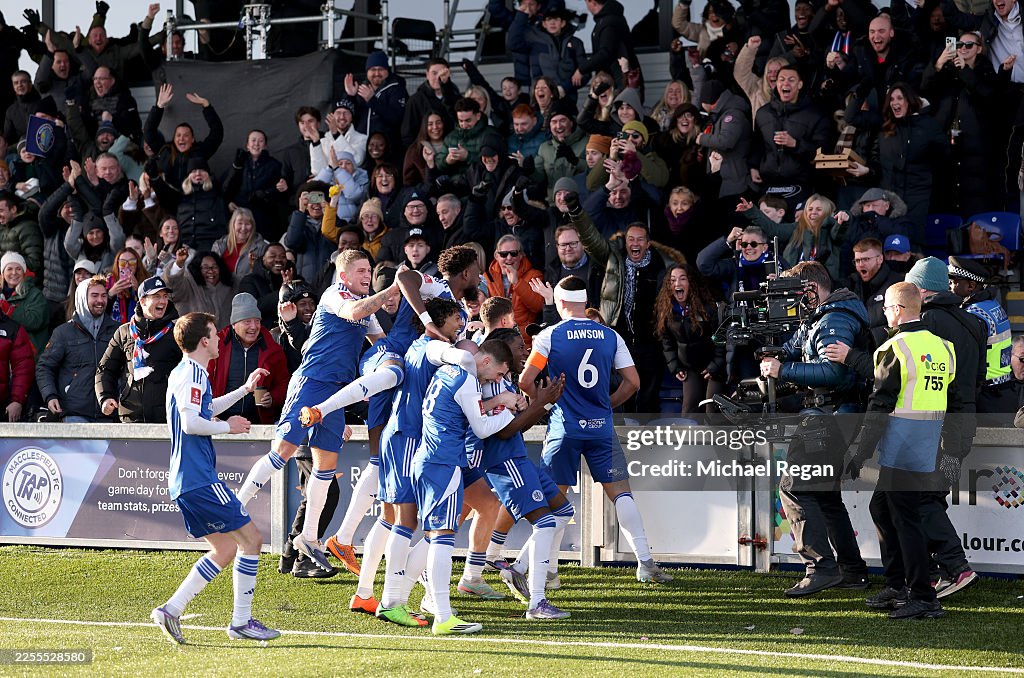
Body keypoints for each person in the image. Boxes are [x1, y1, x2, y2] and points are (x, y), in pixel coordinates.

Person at [234, 250, 397, 572]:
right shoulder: (337, 295)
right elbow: (353, 312)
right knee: (282, 452)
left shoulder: (369, 308)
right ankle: (234, 509)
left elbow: (382, 343)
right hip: (311, 382)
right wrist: (393, 290)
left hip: (335, 392)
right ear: (345, 275)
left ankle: (308, 538)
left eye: (369, 270)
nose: (367, 275)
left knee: (327, 463)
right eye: (362, 270)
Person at [520, 275, 672, 583]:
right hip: (601, 426)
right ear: (586, 302)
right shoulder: (610, 335)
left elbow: (525, 380)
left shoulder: (549, 336)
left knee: (554, 502)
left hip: (564, 426)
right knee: (622, 495)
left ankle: (535, 567)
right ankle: (645, 562)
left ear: (560, 303)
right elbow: (633, 382)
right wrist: (606, 405)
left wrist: (545, 405)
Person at [150, 311, 280, 645]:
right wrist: (229, 426)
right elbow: (194, 423)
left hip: (188, 480)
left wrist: (244, 390)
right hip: (198, 479)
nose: (220, 339)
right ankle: (241, 622)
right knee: (251, 541)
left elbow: (204, 410)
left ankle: (171, 609)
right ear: (204, 341)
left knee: (224, 549)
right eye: (214, 333)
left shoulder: (189, 373)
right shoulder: (192, 374)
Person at [415, 338, 561, 634]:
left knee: (473, 514)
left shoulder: (447, 369)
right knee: (441, 534)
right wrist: (521, 407)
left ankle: (453, 585)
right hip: (449, 459)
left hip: (446, 458)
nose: (524, 353)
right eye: (519, 348)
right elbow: (484, 427)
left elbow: (433, 352)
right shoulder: (466, 377)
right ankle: (439, 609)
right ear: (483, 360)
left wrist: (504, 402)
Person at [759, 261, 870, 596]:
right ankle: (851, 570)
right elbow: (794, 349)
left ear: (810, 290)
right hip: (834, 416)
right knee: (824, 495)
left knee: (794, 487)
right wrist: (772, 349)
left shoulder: (833, 318)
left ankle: (819, 566)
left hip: (831, 416)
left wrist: (783, 369)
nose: (790, 303)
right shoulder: (822, 316)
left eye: (793, 294)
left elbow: (834, 373)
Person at [846, 282, 954, 620]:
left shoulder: (894, 348)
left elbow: (878, 407)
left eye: (887, 309)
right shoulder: (944, 348)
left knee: (905, 520)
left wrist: (859, 452)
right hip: (929, 441)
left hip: (902, 445)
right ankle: (900, 583)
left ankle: (922, 594)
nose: (885, 314)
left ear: (897, 310)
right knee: (884, 508)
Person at [96, 276, 181, 423]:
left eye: (165, 296)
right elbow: (105, 369)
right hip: (130, 417)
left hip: (166, 419)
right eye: (156, 296)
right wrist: (105, 397)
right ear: (142, 301)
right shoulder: (124, 332)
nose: (162, 301)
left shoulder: (177, 333)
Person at [36, 275, 119, 422]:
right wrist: (50, 396)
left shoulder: (117, 330)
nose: (100, 300)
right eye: (94, 295)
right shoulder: (63, 333)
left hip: (109, 414)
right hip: (74, 414)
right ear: (81, 298)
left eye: (104, 295)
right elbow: (45, 367)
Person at [948, 256, 1015, 421]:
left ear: (970, 286)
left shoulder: (973, 315)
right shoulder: (992, 305)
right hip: (1003, 392)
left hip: (986, 397)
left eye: (954, 282)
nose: (949, 287)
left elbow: (968, 361)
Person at [207, 292, 288, 426]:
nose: (253, 327)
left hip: (258, 424)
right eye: (247, 321)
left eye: (257, 321)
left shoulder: (273, 349)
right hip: (220, 423)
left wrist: (272, 397)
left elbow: (284, 383)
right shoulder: (217, 345)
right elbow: (206, 381)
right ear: (234, 324)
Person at [654, 264, 726, 415]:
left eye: (682, 279)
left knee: (711, 407)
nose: (677, 284)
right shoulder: (667, 310)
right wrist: (676, 367)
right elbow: (667, 343)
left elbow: (721, 338)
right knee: (688, 411)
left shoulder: (707, 307)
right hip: (691, 368)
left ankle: (717, 438)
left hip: (715, 366)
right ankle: (692, 439)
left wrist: (715, 365)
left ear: (691, 283)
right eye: (673, 280)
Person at [845, 238, 905, 331]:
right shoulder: (852, 283)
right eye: (857, 261)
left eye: (866, 259)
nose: (861, 265)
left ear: (880, 259)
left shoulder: (896, 285)